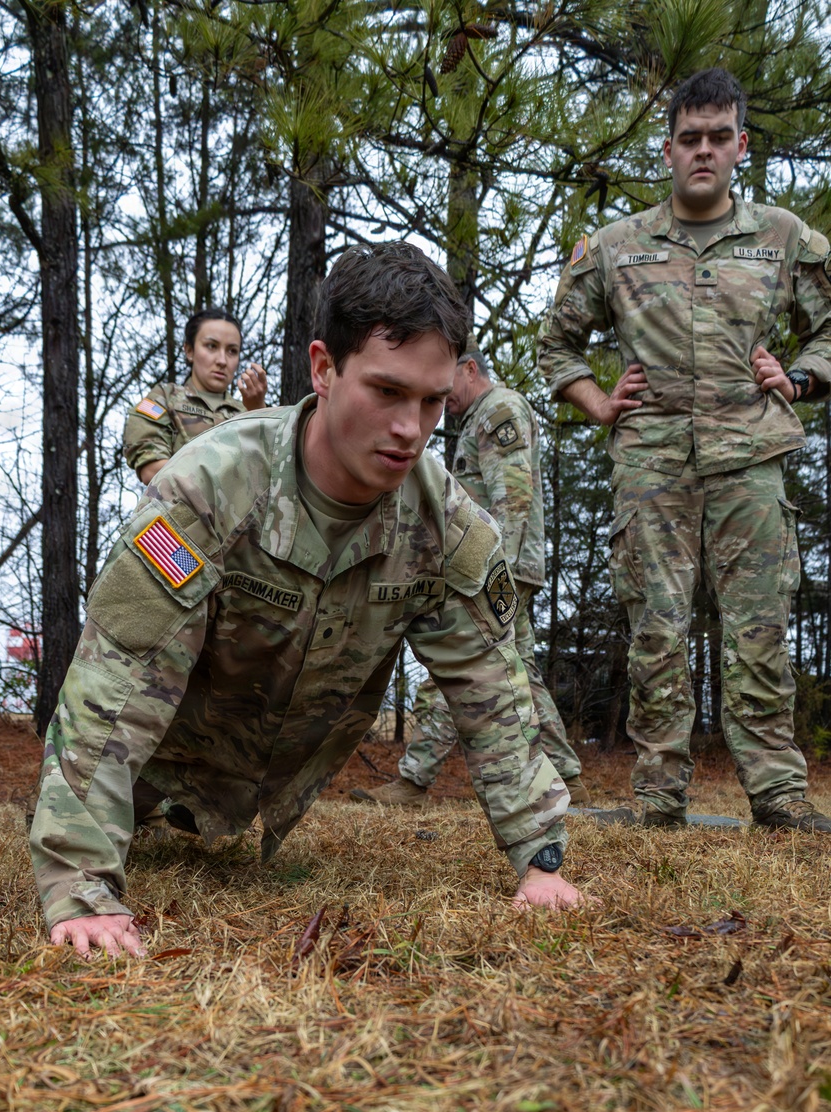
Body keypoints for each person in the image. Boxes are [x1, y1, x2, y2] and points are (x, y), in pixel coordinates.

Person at [30, 242, 592, 960]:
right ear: (323, 369)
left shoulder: (446, 526)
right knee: (121, 798)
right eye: (386, 391)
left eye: (431, 401)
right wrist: (82, 886)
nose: (411, 428)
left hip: (274, 773)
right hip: (155, 759)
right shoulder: (210, 489)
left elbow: (492, 689)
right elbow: (116, 676)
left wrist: (540, 861)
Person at [538, 66, 831, 832]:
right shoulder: (615, 247)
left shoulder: (782, 238)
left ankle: (779, 798)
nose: (704, 150)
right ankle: (658, 799)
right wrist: (600, 403)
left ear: (741, 146)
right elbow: (556, 343)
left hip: (749, 459)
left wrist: (799, 376)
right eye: (689, 138)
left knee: (759, 628)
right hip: (652, 465)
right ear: (667, 149)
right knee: (657, 632)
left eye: (718, 137)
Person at [351, 339, 590, 809]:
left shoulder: (497, 410)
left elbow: (513, 498)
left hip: (493, 567)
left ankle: (414, 781)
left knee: (457, 662)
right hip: (496, 565)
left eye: (446, 383)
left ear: (470, 369)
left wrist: (494, 570)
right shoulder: (482, 416)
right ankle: (568, 776)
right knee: (522, 671)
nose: (443, 396)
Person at [123, 308, 267, 487]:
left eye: (232, 351)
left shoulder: (251, 411)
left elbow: (274, 474)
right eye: (211, 346)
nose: (222, 361)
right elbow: (152, 469)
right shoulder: (164, 399)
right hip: (179, 506)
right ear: (189, 351)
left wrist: (258, 412)